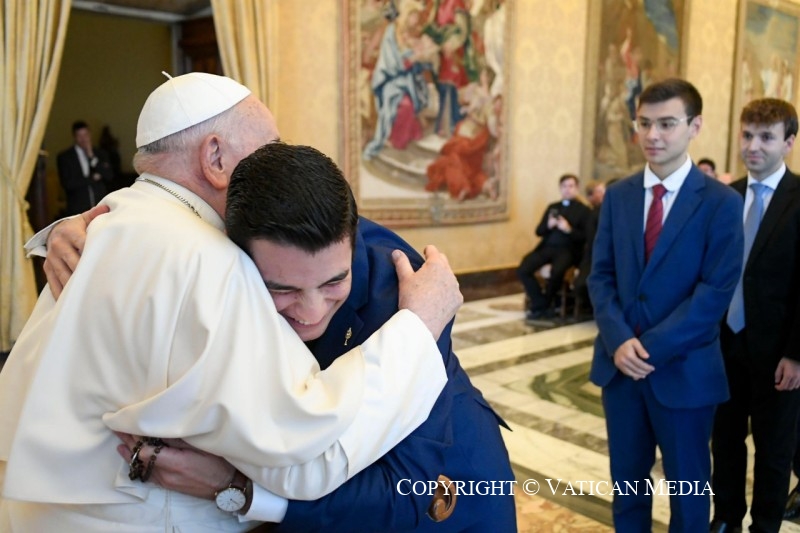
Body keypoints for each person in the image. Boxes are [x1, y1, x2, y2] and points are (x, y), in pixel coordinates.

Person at [0, 73, 461, 532]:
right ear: (215, 156)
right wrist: (420, 325)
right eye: (270, 147)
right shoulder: (206, 258)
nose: (280, 166)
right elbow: (308, 455)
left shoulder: (105, 223)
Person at [103, 142, 515, 532]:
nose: (312, 311)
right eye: (282, 289)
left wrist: (233, 486)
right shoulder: (217, 257)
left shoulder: (405, 292)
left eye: (336, 281)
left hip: (449, 496)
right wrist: (76, 229)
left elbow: (405, 493)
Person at [588, 78, 744, 531]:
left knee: (689, 493)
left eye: (667, 124)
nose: (653, 135)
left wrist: (646, 348)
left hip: (685, 372)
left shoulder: (721, 203)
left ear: (695, 126)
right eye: (644, 124)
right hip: (621, 372)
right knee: (628, 490)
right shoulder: (617, 196)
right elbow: (601, 276)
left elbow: (713, 293)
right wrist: (619, 341)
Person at [710, 98, 800, 533]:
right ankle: (725, 517)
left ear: (789, 142)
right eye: (747, 135)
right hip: (725, 344)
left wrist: (798, 354)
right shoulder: (725, 198)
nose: (753, 146)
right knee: (725, 440)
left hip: (779, 351)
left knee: (773, 446)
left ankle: (764, 523)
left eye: (766, 137)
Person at [517, 173, 591, 320]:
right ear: (560, 188)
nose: (567, 190)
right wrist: (548, 225)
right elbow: (539, 231)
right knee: (523, 268)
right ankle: (541, 303)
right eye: (564, 186)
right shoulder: (553, 207)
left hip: (568, 250)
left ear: (577, 188)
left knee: (557, 271)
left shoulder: (584, 210)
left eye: (571, 186)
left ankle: (546, 304)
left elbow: (585, 237)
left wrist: (568, 229)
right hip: (547, 248)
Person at [57, 120, 115, 216]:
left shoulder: (100, 154)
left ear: (90, 134)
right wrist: (93, 178)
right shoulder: (65, 157)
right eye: (80, 136)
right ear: (74, 137)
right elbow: (68, 183)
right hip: (77, 207)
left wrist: (91, 157)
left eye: (85, 135)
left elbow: (108, 175)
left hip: (100, 205)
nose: (83, 139)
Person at [572, 179, 606, 315]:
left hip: (605, 253)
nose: (603, 194)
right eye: (600, 192)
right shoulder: (590, 212)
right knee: (581, 284)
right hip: (591, 253)